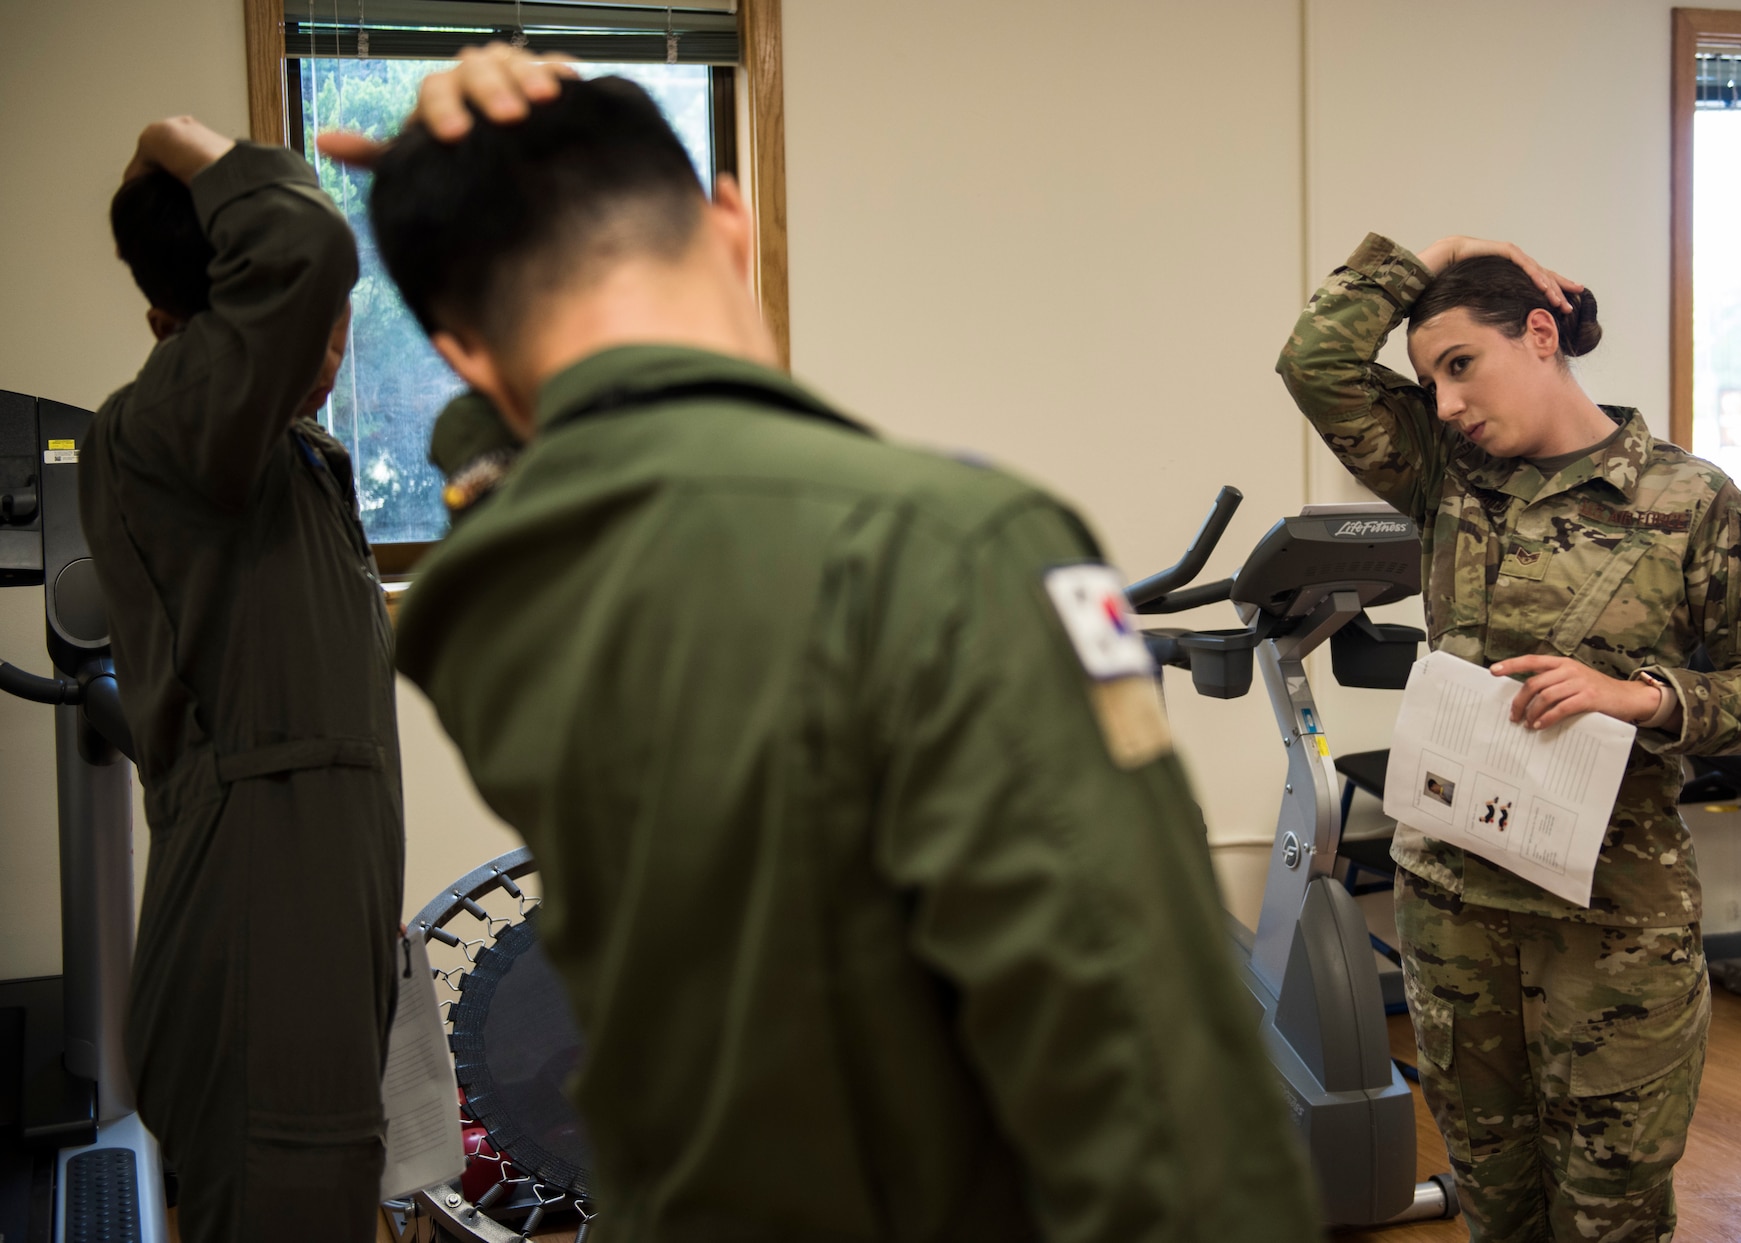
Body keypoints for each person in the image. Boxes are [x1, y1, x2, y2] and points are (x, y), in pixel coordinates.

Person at [327, 47, 1321, 1242]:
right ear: (732, 223)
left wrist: (460, 218)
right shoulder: (950, 549)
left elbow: (500, 442)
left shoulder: (493, 600)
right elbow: (1166, 1107)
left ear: (461, 356)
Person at [1277, 233, 1741, 1242]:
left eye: (1459, 366)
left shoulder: (1686, 500)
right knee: (1493, 1200)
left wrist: (1645, 698)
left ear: (1539, 336)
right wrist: (1438, 254)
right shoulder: (1444, 475)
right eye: (1427, 380)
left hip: (1608, 922)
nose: (1443, 403)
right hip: (1453, 910)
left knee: (1607, 1211)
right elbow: (1312, 362)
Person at [81, 117, 404, 1242]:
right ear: (183, 325)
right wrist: (174, 143)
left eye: (334, 338)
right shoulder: (165, 431)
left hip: (317, 928)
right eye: (298, 333)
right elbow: (305, 247)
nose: (326, 352)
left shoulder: (284, 461)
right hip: (262, 949)